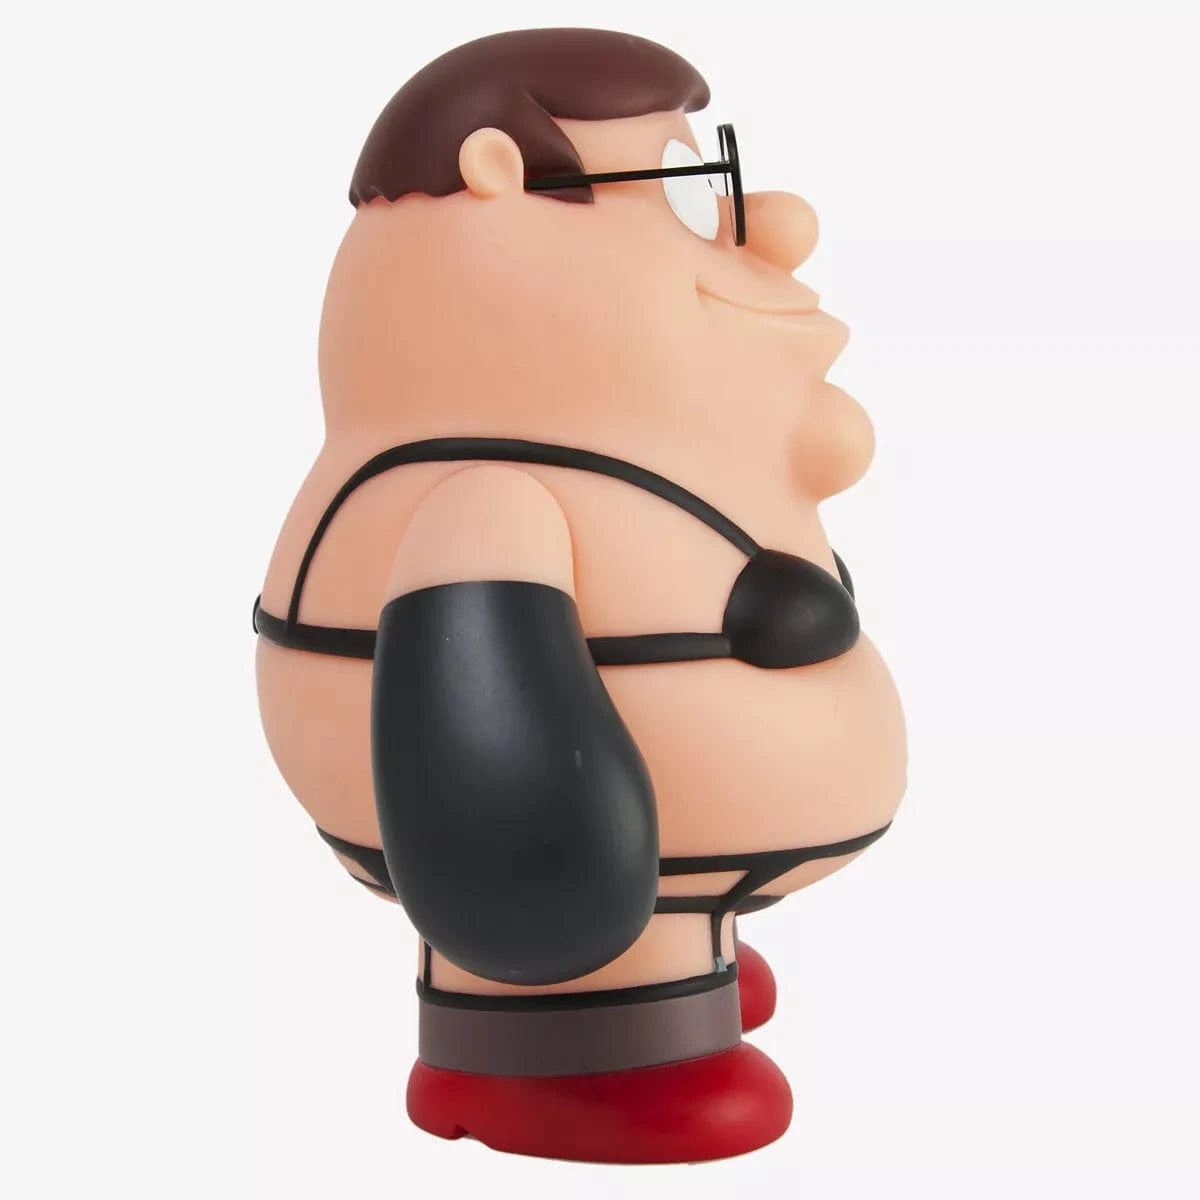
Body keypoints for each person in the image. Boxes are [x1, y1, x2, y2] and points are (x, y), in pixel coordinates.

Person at [255, 27, 907, 1163]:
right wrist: (541, 919)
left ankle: (676, 955)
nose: (776, 229)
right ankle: (552, 1040)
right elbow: (481, 744)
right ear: (500, 179)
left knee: (666, 921)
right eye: (687, 197)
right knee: (574, 940)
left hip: (656, 877)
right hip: (541, 899)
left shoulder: (635, 437)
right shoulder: (478, 501)